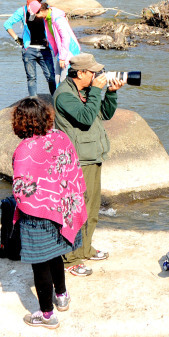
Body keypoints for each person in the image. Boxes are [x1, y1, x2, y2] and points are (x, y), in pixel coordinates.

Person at [10, 97, 88, 329]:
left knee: (40, 262)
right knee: (56, 254)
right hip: (63, 209)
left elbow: (21, 188)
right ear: (45, 116)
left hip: (38, 216)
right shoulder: (61, 137)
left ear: (21, 122)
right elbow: (73, 169)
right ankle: (62, 295)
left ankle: (46, 315)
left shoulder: (25, 149)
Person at [52, 53, 124, 277]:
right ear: (80, 73)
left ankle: (85, 248)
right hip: (77, 160)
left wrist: (110, 94)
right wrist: (96, 90)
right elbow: (84, 117)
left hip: (91, 156)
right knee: (75, 210)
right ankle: (70, 258)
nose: (97, 75)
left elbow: (102, 114)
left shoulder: (83, 91)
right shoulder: (64, 95)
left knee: (91, 208)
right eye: (92, 72)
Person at [4, 0, 56, 98]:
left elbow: (56, 19)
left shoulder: (46, 10)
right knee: (31, 77)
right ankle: (33, 101)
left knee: (51, 77)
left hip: (45, 50)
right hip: (29, 50)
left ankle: (55, 101)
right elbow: (7, 24)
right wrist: (16, 38)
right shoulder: (23, 11)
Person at [32, 1, 81, 85]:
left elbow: (66, 38)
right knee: (57, 78)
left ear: (42, 11)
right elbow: (52, 34)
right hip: (62, 49)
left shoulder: (58, 19)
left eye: (36, 14)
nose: (36, 17)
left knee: (64, 80)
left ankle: (66, 96)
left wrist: (62, 58)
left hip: (70, 49)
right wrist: (50, 43)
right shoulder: (47, 18)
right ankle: (58, 97)